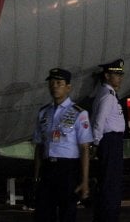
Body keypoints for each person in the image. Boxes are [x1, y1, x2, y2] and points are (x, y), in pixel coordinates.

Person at [33, 68, 93, 222]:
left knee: (67, 214)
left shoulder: (79, 113)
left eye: (59, 83)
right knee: (44, 214)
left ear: (68, 87)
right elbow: (39, 146)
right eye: (52, 83)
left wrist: (85, 181)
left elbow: (85, 148)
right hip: (48, 168)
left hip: (68, 170)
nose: (54, 86)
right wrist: (36, 176)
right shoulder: (44, 113)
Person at [91, 59, 126, 222]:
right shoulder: (108, 96)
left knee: (109, 181)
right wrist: (96, 143)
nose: (120, 77)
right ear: (107, 76)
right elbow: (99, 121)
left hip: (111, 141)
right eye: (116, 74)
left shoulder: (107, 94)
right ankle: (108, 216)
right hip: (110, 141)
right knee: (111, 183)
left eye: (120, 74)